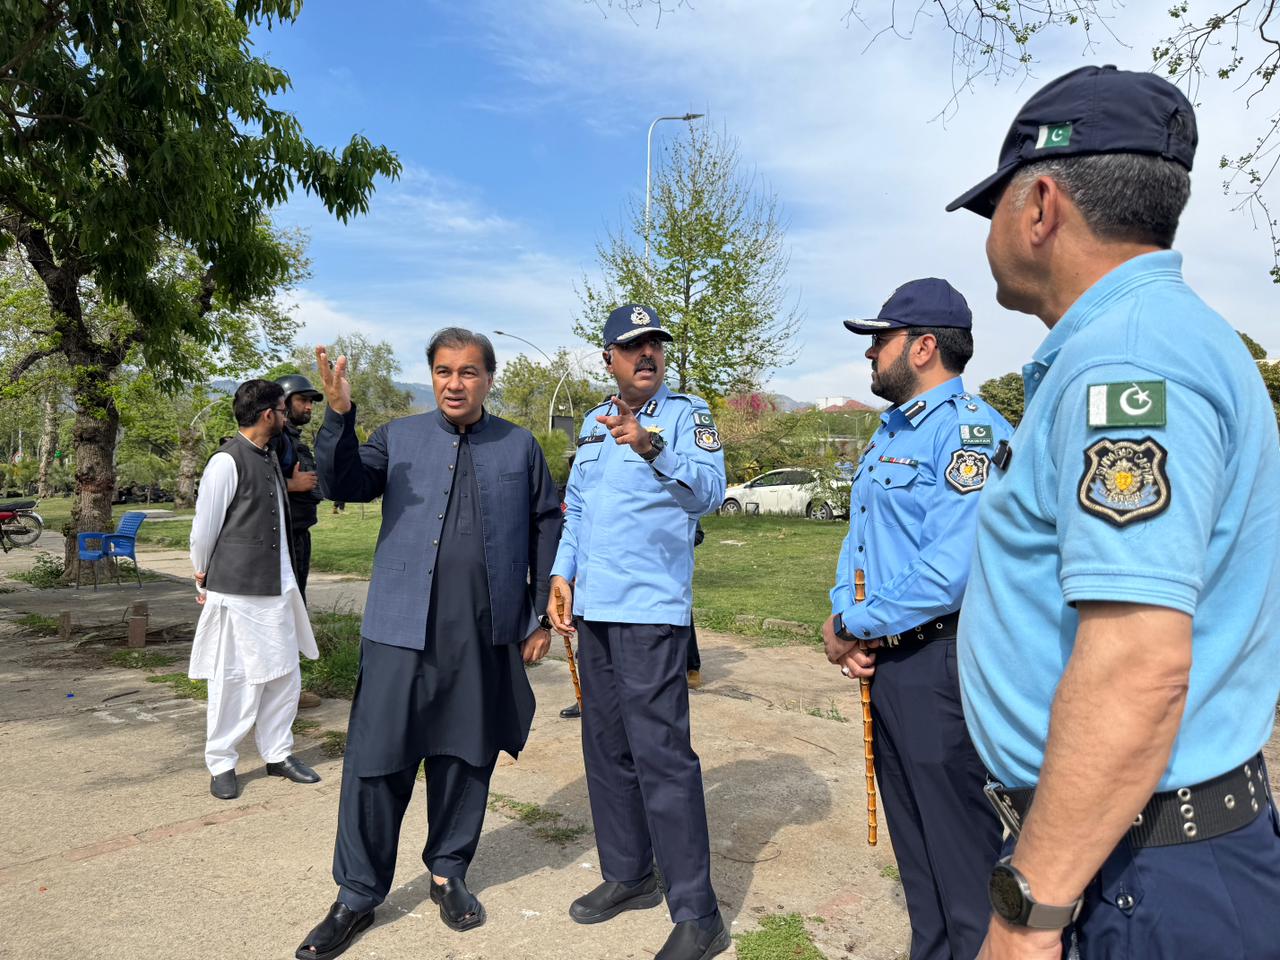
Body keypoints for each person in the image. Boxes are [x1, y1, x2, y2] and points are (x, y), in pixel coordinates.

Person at [947, 65, 1280, 959]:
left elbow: (1138, 664)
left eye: (997, 209)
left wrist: (1031, 914)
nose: (993, 236)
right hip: (1138, 849)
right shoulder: (1164, 338)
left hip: (1137, 874)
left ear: (1042, 204)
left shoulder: (1127, 366)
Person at [296, 329, 562, 960]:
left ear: (488, 379)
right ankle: (357, 894)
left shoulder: (519, 446)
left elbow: (546, 522)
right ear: (432, 375)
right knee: (376, 760)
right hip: (399, 628)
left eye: (469, 372)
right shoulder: (398, 438)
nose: (454, 383)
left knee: (467, 756)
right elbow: (344, 483)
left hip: (484, 631)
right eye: (444, 371)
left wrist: (538, 615)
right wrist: (337, 416)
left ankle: (448, 870)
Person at [824, 278, 1011, 960]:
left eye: (881, 340)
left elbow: (948, 572)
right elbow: (863, 538)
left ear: (924, 346)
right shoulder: (891, 432)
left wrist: (854, 625)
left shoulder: (970, 435)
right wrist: (842, 617)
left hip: (944, 664)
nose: (871, 355)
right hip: (890, 662)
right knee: (916, 851)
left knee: (961, 854)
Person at [547, 303, 729, 960]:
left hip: (650, 613)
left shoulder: (686, 416)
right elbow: (577, 514)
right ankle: (628, 873)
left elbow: (710, 489)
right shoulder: (595, 427)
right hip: (594, 610)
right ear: (609, 360)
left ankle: (697, 912)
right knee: (606, 749)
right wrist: (561, 576)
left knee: (662, 758)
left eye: (655, 345)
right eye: (633, 346)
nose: (647, 355)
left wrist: (651, 445)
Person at [188, 379, 321, 801]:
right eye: (283, 410)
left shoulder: (268, 457)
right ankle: (221, 762)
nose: (286, 416)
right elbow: (204, 528)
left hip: (277, 588)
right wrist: (201, 574)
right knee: (233, 680)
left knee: (284, 677)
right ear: (269, 415)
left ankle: (278, 754)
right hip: (237, 591)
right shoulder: (226, 462)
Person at [560, 518, 706, 720]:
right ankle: (588, 698)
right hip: (599, 584)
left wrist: (662, 547)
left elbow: (696, 531)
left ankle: (691, 667)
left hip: (655, 587)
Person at [272, 373, 326, 711]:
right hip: (283, 537)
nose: (308, 407)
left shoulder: (291, 438)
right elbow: (252, 476)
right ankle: (282, 696)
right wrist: (291, 486)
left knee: (295, 609)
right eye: (302, 400)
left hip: (298, 532)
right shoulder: (275, 438)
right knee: (284, 612)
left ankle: (289, 690)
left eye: (310, 402)